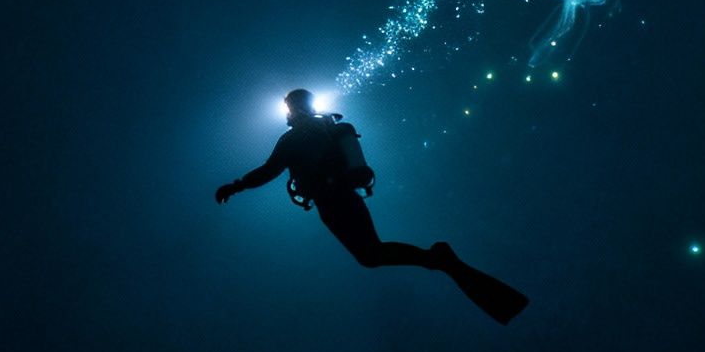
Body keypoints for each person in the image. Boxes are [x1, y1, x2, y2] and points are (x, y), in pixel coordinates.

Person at [215, 89, 529, 324]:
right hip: (342, 198)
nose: (289, 111)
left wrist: (237, 185)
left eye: (289, 106)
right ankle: (437, 259)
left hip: (333, 201)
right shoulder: (328, 129)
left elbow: (267, 172)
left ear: (293, 109)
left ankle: (438, 258)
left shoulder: (293, 140)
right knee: (371, 254)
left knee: (370, 255)